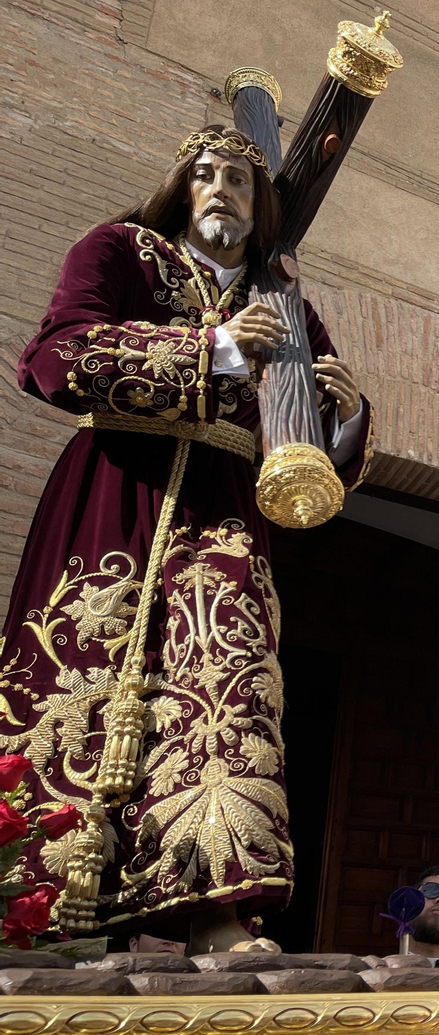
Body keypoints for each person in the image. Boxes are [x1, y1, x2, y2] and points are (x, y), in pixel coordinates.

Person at [0, 124, 370, 951]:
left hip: (225, 515)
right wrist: (215, 350)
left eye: (240, 179)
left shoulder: (287, 305)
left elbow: (300, 461)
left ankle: (216, 913)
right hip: (112, 493)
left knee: (228, 688)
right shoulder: (118, 251)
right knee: (79, 679)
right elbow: (55, 357)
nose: (222, 191)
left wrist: (344, 419)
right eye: (206, 174)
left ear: (260, 202)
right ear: (181, 185)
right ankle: (33, 907)